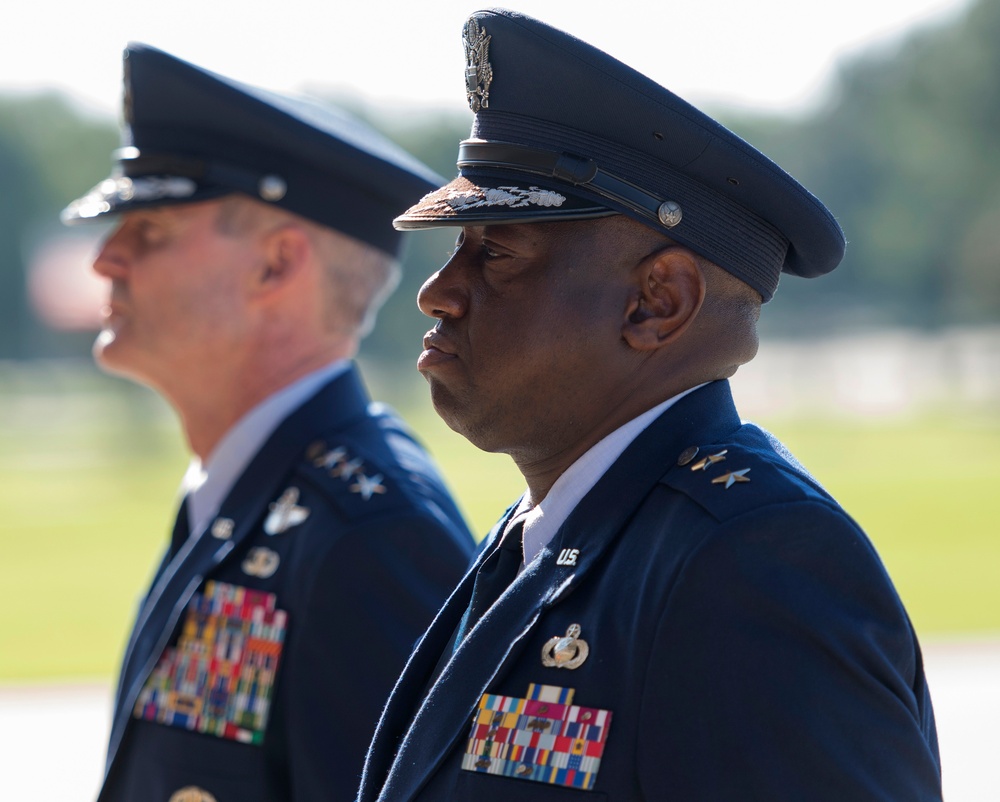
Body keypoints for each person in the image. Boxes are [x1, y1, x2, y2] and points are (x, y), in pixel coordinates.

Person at [357, 9, 943, 802]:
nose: (438, 291)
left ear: (657, 302)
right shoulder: (559, 535)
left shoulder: (750, 567)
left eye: (495, 253)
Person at [61, 43, 476, 802]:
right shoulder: (244, 494)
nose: (105, 261)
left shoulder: (369, 535)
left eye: (149, 232)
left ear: (276, 267)